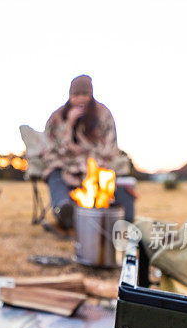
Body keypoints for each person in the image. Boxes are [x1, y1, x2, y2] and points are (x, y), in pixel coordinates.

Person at [42, 75, 134, 228]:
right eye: (76, 95)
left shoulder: (103, 114)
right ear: (70, 96)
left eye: (84, 95)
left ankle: (117, 216)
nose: (81, 99)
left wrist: (90, 159)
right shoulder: (57, 117)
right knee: (54, 174)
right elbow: (51, 147)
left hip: (96, 164)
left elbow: (110, 147)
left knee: (110, 175)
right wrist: (69, 123)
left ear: (91, 95)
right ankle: (64, 210)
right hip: (65, 164)